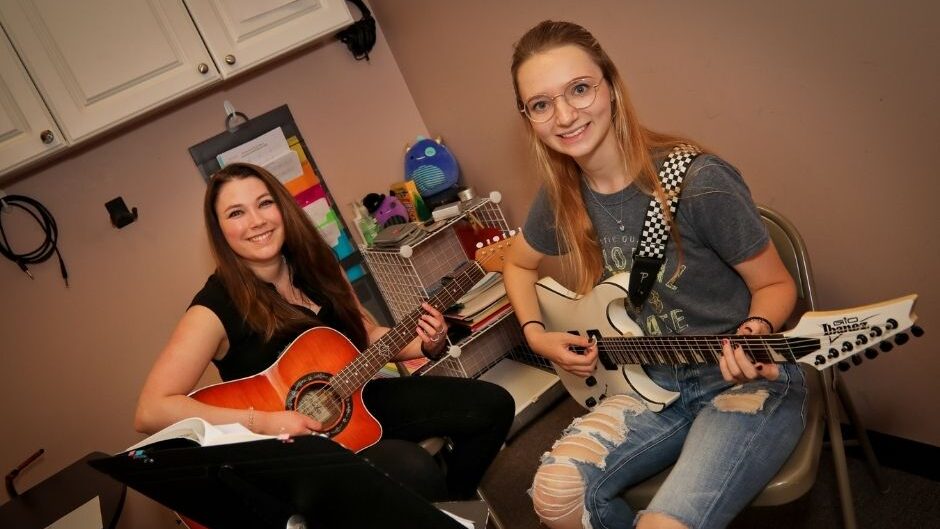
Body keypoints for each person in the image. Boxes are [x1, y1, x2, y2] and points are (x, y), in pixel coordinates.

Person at [503, 20, 807, 529]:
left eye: (579, 89)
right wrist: (537, 337)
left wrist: (752, 336)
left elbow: (776, 286)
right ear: (529, 117)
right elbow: (517, 263)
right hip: (644, 382)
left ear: (612, 87)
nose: (565, 115)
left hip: (739, 380)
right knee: (554, 495)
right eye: (541, 103)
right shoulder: (562, 195)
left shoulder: (699, 180)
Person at [135, 162, 514, 502]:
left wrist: (426, 343)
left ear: (282, 207)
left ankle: (454, 509)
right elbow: (152, 409)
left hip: (359, 396)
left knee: (491, 405)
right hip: (292, 449)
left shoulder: (318, 264)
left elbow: (363, 336)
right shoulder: (213, 308)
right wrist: (264, 421)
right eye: (236, 212)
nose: (256, 221)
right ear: (219, 230)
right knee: (412, 468)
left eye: (264, 203)